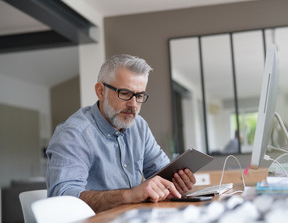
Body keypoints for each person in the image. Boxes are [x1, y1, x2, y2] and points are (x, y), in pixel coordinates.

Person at [46, 54, 196, 213]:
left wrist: (176, 182)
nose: (133, 105)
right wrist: (128, 196)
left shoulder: (139, 126)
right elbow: (62, 198)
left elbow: (161, 172)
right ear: (100, 91)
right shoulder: (74, 134)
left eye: (139, 96)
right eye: (125, 93)